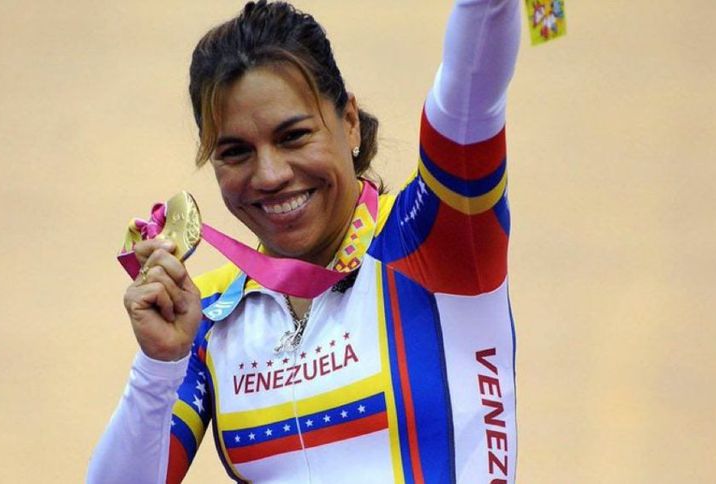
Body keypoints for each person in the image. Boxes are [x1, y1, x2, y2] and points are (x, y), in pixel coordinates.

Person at [87, 0, 521, 482]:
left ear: (349, 121)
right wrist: (158, 367)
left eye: (293, 136)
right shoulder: (207, 316)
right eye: (235, 152)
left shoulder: (436, 234)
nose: (270, 175)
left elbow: (470, 88)